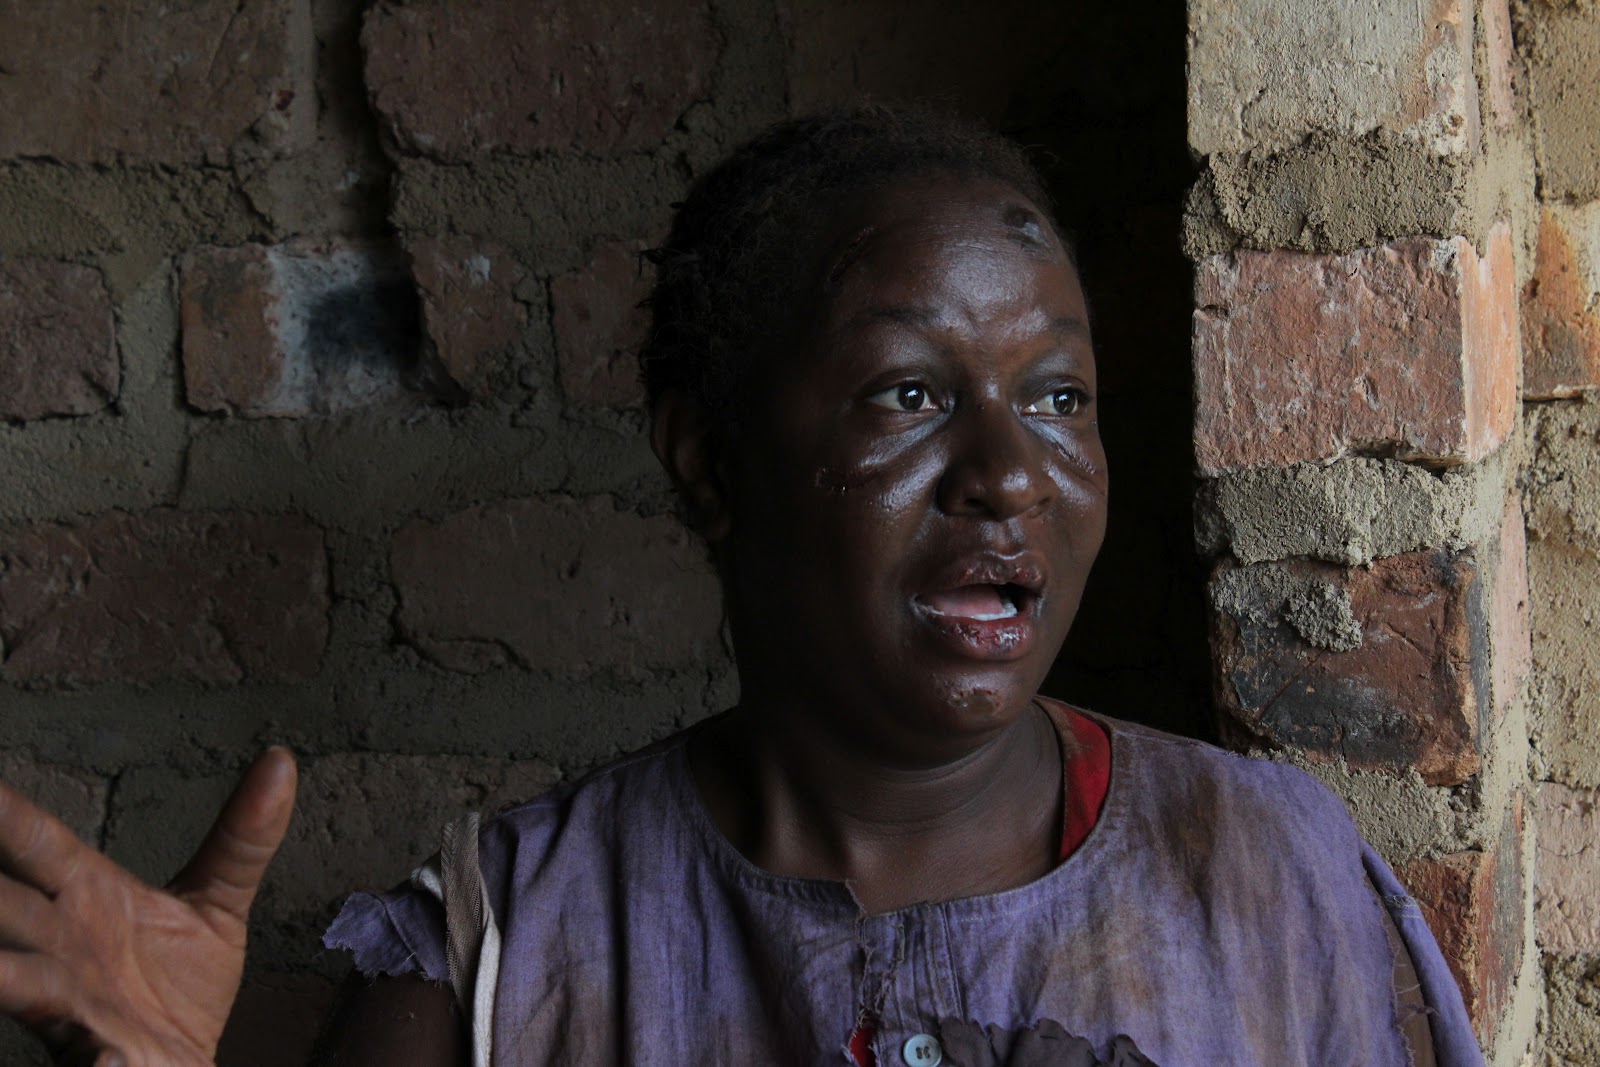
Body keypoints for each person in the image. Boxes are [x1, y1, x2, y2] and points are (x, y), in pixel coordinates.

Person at [0, 106, 1481, 1067]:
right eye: (908, 396)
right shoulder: (509, 962)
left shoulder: (1276, 886)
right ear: (711, 465)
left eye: (1059, 399)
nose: (1010, 475)